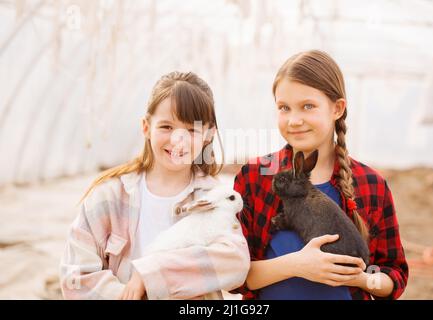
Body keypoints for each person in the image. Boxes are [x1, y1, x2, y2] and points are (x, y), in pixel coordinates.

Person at [232, 50, 408, 300]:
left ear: (337, 108)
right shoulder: (254, 176)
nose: (294, 120)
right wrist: (297, 265)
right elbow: (233, 274)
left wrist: (363, 278)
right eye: (284, 108)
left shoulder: (371, 185)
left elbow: (394, 274)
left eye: (308, 106)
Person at [60, 71, 250, 300]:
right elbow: (75, 277)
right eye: (167, 127)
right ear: (146, 127)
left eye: (191, 130)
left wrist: (151, 273)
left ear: (209, 135)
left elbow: (235, 262)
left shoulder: (214, 197)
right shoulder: (108, 196)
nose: (177, 140)